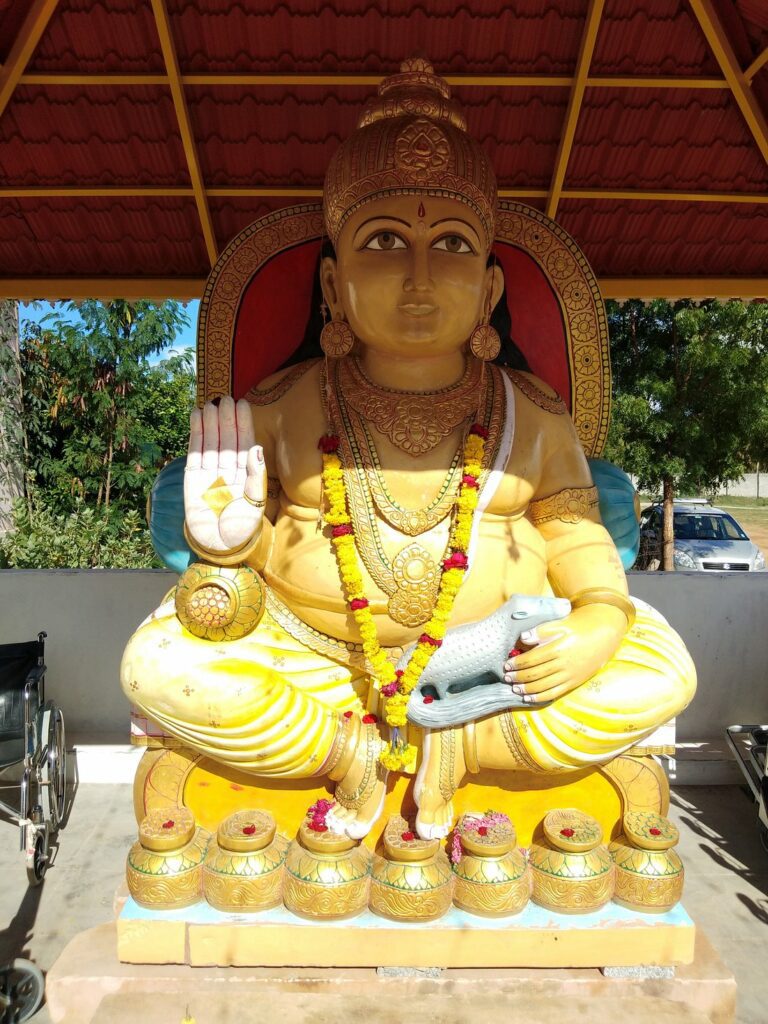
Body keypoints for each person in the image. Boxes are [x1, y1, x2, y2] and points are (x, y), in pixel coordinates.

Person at [121, 58, 695, 841]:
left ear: (490, 292)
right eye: (385, 241)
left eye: (452, 244)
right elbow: (221, 597)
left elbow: (574, 533)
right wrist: (227, 548)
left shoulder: (532, 414)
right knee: (156, 666)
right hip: (316, 663)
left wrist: (597, 619)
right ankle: (348, 754)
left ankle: (458, 746)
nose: (420, 278)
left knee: (661, 669)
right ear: (333, 285)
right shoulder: (284, 406)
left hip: (497, 672)